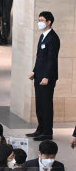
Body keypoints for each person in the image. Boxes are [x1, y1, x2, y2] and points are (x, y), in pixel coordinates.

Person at [30, 10, 59, 141]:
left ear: (49, 22)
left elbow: (52, 60)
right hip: (39, 75)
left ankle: (47, 132)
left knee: (46, 105)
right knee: (39, 105)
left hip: (47, 78)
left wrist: (46, 76)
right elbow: (39, 57)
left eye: (42, 21)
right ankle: (40, 129)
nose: (39, 23)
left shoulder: (53, 38)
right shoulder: (43, 36)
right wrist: (34, 71)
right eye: (39, 20)